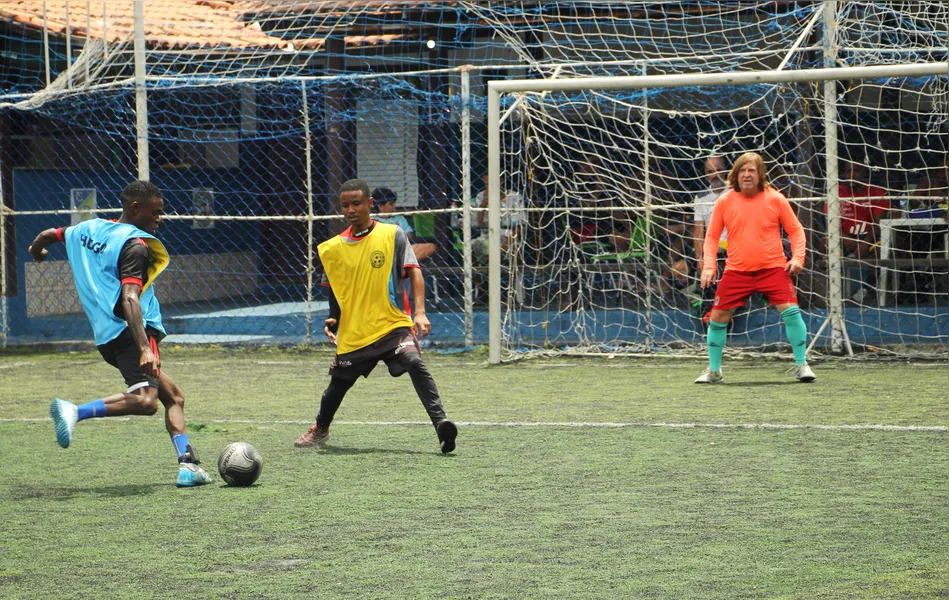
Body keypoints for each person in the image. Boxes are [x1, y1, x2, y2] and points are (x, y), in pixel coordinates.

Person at [27, 180, 214, 487]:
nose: (159, 218)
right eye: (155, 212)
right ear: (134, 208)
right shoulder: (135, 246)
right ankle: (74, 411)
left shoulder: (89, 228)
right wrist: (144, 347)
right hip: (132, 333)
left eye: (161, 212)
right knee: (145, 401)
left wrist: (38, 250)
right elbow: (130, 297)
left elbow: (50, 235)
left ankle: (188, 466)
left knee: (175, 398)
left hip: (106, 336)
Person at [295, 179, 458, 454]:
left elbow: (414, 271)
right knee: (337, 386)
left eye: (356, 204)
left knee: (414, 361)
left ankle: (441, 425)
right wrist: (334, 318)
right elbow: (335, 288)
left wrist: (419, 312)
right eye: (345, 205)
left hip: (392, 323)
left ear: (369, 204)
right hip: (356, 331)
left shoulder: (392, 235)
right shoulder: (332, 248)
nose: (350, 210)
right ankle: (321, 428)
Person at [694, 152, 816, 384]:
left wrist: (798, 258)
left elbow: (796, 230)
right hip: (736, 271)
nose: (747, 175)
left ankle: (802, 364)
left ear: (760, 175)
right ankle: (714, 370)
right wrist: (708, 266)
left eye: (752, 170)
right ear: (735, 175)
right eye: (742, 170)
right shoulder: (724, 201)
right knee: (717, 318)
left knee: (791, 312)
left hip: (773, 269)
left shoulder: (776, 199)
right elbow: (710, 238)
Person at [372, 186, 437, 261]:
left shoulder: (399, 218)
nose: (394, 206)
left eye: (394, 203)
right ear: (381, 206)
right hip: (380, 250)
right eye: (391, 204)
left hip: (400, 249)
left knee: (431, 246)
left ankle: (397, 262)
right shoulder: (372, 219)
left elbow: (409, 235)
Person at [470, 173, 523, 264]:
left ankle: (515, 277)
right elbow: (479, 223)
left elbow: (518, 228)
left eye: (491, 183)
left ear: (501, 181)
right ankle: (475, 277)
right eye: (486, 184)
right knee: (469, 247)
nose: (488, 186)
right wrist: (484, 202)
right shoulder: (481, 196)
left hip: (508, 238)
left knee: (515, 250)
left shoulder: (514, 197)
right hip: (487, 238)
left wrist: (503, 247)